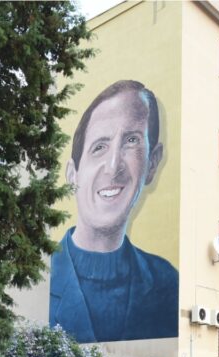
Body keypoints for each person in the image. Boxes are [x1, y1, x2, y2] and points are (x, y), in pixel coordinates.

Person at [49, 80, 178, 343]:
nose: (113, 166)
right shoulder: (39, 276)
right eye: (99, 147)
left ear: (152, 163)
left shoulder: (168, 284)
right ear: (73, 174)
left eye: (131, 141)